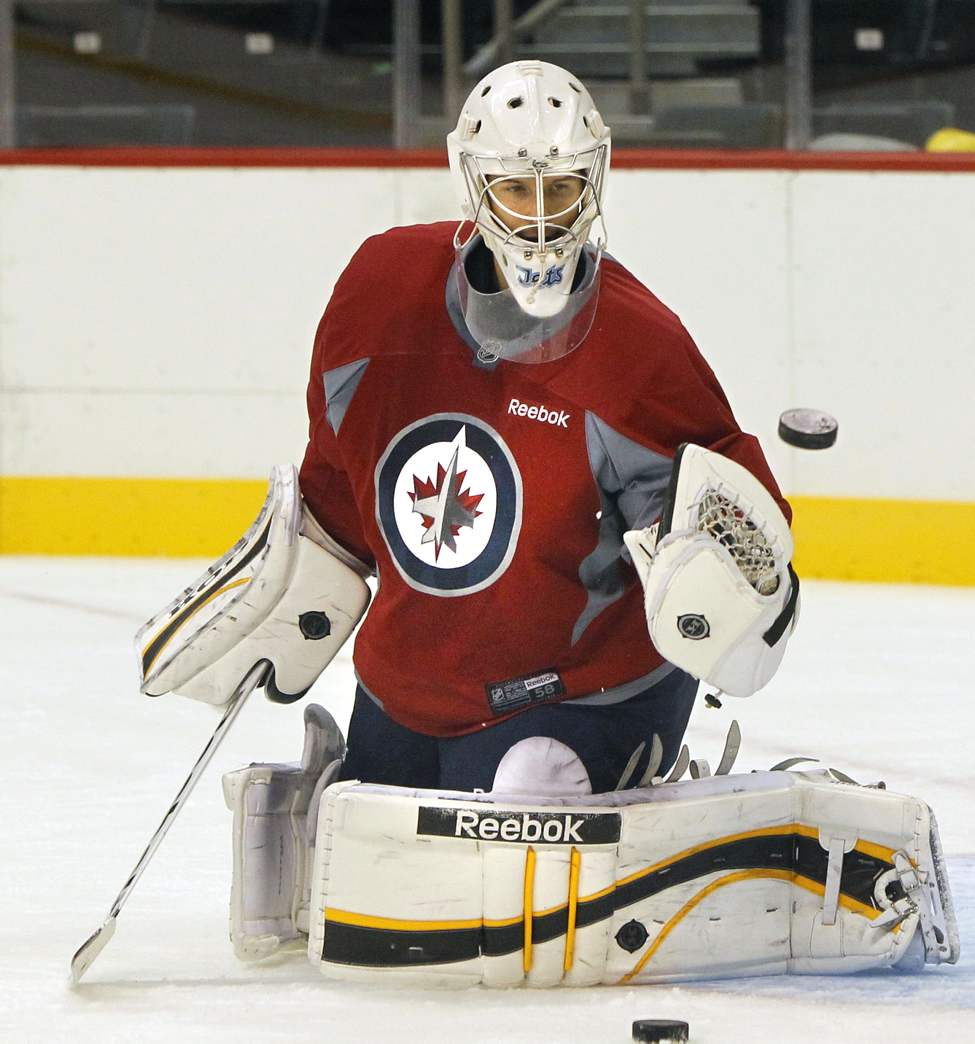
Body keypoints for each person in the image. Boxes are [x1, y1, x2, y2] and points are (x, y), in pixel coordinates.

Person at [290, 59, 796, 795]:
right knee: (361, 846)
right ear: (473, 180)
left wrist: (721, 581)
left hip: (582, 691)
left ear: (593, 180)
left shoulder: (639, 346)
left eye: (558, 188)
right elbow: (338, 480)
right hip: (411, 680)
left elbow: (721, 518)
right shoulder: (379, 292)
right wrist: (286, 582)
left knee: (525, 806)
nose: (536, 214)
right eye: (514, 188)